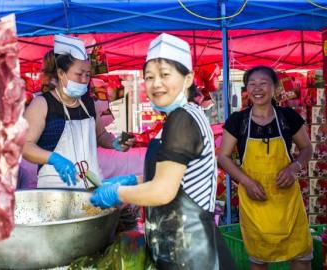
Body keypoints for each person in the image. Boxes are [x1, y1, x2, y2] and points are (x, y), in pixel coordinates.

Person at [89, 33, 236, 270]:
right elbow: (174, 178)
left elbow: (163, 191)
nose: (156, 83)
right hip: (181, 250)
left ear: (188, 79)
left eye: (165, 75)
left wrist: (119, 193)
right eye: (149, 77)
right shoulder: (181, 117)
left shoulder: (182, 120)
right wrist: (133, 180)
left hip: (192, 255)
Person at [218, 66, 313, 270]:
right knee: (259, 259)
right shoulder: (237, 121)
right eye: (252, 84)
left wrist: (294, 167)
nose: (257, 88)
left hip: (287, 202)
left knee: (301, 257)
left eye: (263, 83)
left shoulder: (287, 117)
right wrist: (247, 182)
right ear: (246, 89)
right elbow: (223, 157)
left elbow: (307, 149)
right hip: (255, 200)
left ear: (275, 87)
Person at [22, 34, 133, 188]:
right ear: (61, 74)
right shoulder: (41, 104)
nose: (84, 80)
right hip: (56, 190)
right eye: (79, 74)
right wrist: (53, 158)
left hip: (92, 186)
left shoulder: (89, 103)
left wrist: (115, 143)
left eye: (87, 75)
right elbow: (25, 146)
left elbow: (101, 136)